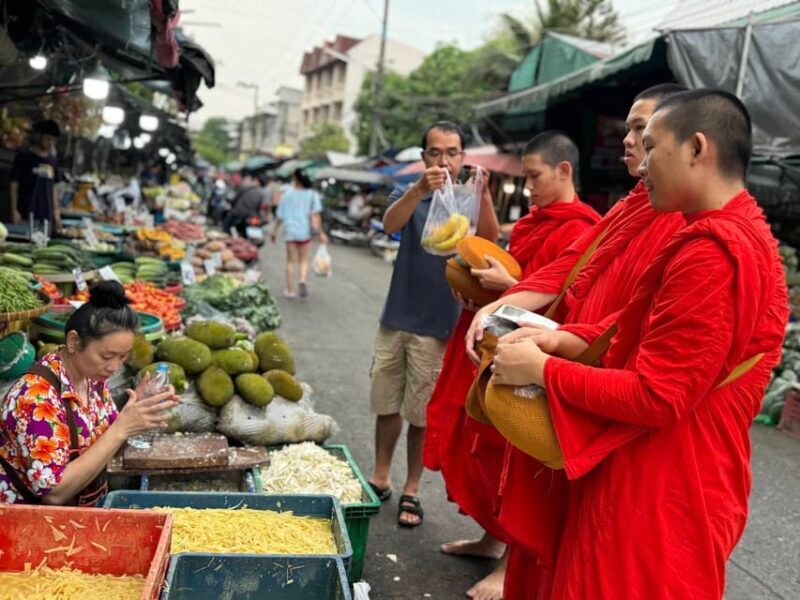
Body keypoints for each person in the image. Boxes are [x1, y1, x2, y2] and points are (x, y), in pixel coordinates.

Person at [490, 89, 788, 599]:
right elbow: (637, 333)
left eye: (650, 147)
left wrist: (541, 370)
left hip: (658, 489)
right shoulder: (727, 232)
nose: (641, 163)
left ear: (697, 149)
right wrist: (559, 337)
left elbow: (659, 395)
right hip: (655, 473)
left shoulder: (713, 254)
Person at [462, 83, 688, 598]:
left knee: (612, 555)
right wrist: (510, 306)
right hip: (572, 358)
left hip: (606, 389)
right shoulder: (636, 203)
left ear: (692, 146)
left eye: (645, 134)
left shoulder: (695, 229)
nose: (631, 143)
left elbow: (655, 364)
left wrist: (552, 355)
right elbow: (575, 264)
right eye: (634, 131)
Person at [426, 132, 600, 600]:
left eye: (534, 177)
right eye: (525, 177)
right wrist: (479, 291)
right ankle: (491, 539)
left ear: (564, 171)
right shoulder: (532, 222)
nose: (528, 188)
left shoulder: (585, 229)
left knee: (515, 460)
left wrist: (512, 283)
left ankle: (510, 565)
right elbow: (518, 280)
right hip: (496, 342)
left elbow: (569, 303)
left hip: (533, 355)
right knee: (478, 447)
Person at [367, 121, 499, 528]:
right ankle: (380, 475)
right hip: (397, 317)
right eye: (436, 152)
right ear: (424, 157)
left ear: (463, 157)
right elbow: (390, 225)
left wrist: (486, 195)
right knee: (386, 403)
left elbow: (491, 244)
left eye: (452, 152)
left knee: (421, 414)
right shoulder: (409, 192)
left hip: (440, 325)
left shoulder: (469, 200)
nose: (444, 160)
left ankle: (411, 487)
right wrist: (417, 190)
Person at [0, 282, 178, 506]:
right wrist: (122, 428)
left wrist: (137, 410)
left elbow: (110, 443)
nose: (114, 367)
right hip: (23, 525)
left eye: (122, 358)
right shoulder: (36, 398)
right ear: (74, 342)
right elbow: (54, 493)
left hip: (79, 516)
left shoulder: (92, 380)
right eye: (106, 356)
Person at [270, 168, 328, 299]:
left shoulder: (287, 194)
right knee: (303, 260)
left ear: (295, 178)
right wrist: (321, 233)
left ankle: (290, 290)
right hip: (304, 232)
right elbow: (316, 216)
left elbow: (280, 215)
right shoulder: (313, 194)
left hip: (290, 230)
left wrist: (274, 231)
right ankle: (302, 280)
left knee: (290, 261)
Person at [9, 119, 62, 230]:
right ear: (38, 136)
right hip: (24, 214)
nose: (50, 143)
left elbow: (53, 188)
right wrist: (14, 210)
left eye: (53, 140)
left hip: (45, 217)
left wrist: (56, 212)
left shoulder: (52, 161)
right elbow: (14, 185)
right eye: (47, 138)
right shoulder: (23, 157)